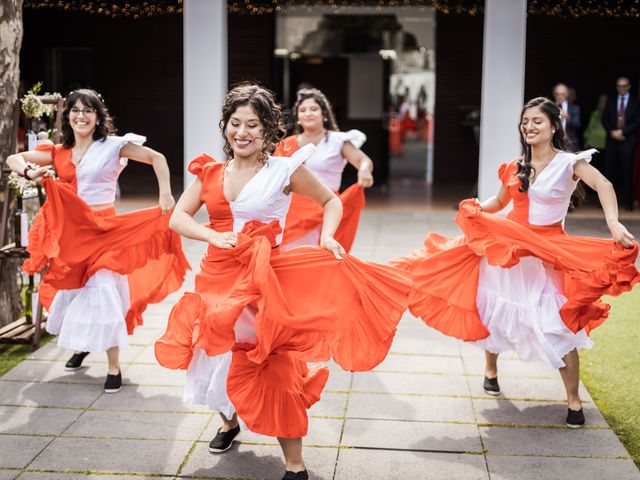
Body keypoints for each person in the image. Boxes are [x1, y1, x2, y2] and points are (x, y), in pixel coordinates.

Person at [154, 84, 410, 480]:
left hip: (266, 279)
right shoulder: (208, 172)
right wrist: (211, 235)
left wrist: (327, 236)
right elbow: (178, 218)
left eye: (252, 125)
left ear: (268, 129)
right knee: (216, 353)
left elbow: (331, 201)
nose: (242, 132)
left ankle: (295, 465)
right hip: (218, 277)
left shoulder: (283, 170)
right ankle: (228, 422)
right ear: (225, 127)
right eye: (235, 123)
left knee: (272, 362)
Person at [392, 97, 639, 428]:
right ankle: (491, 370)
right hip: (507, 250)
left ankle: (574, 401)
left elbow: (604, 185)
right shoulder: (515, 167)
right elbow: (498, 202)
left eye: (537, 121)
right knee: (495, 309)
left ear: (554, 125)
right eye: (525, 122)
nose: (530, 127)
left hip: (547, 253)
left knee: (557, 324)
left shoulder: (571, 163)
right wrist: (476, 208)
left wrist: (613, 223)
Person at [6, 89, 189, 393]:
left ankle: (113, 367)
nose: (81, 115)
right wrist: (30, 171)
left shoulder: (113, 146)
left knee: (103, 292)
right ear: (68, 117)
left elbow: (157, 158)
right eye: (75, 110)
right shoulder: (58, 151)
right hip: (74, 235)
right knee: (77, 293)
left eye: (88, 110)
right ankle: (82, 347)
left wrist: (166, 193)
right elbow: (14, 157)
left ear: (98, 116)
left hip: (107, 232)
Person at [274, 88, 374, 252]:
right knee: (289, 254)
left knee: (317, 255)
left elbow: (363, 160)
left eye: (314, 109)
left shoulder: (337, 140)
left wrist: (364, 170)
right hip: (292, 211)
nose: (308, 113)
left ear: (324, 115)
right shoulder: (286, 144)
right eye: (303, 110)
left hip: (325, 207)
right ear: (298, 118)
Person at [602, 76, 640, 210]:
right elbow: (604, 119)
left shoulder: (636, 102)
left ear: (629, 86)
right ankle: (608, 203)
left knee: (627, 172)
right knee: (610, 171)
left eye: (624, 86)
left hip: (627, 141)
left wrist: (623, 132)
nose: (622, 88)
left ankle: (628, 202)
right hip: (612, 140)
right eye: (619, 86)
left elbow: (637, 121)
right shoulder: (611, 101)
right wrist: (612, 132)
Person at [553, 83, 581, 149]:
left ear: (567, 95)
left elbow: (577, 125)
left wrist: (568, 118)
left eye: (562, 94)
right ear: (554, 94)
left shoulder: (574, 108)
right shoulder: (550, 107)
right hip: (553, 143)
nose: (559, 97)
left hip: (569, 143)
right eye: (557, 94)